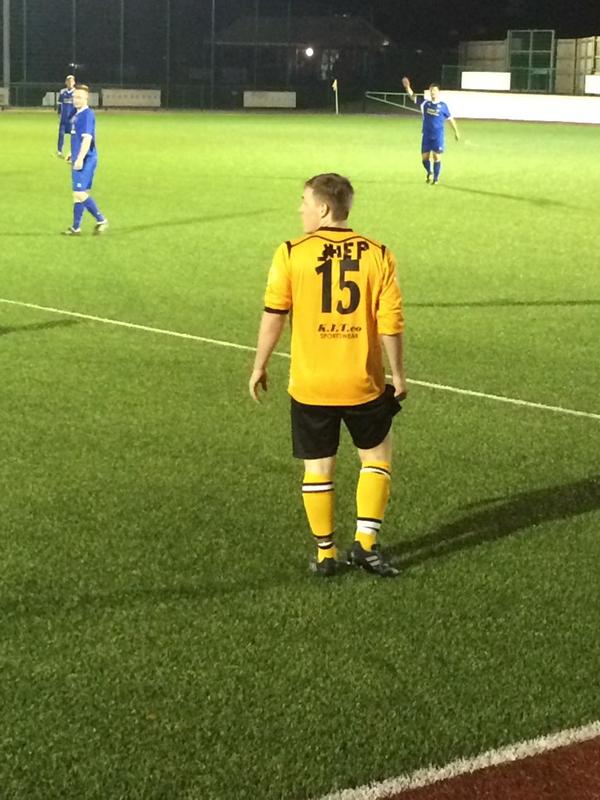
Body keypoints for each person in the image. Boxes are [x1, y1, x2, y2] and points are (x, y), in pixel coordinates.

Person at [249, 173, 406, 578]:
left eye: (303, 201)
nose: (299, 208)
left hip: (311, 384)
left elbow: (274, 315)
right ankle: (366, 545)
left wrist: (259, 364)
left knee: (317, 468)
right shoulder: (378, 253)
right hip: (362, 383)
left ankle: (325, 554)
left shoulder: (290, 252)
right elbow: (390, 323)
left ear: (322, 208)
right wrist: (399, 375)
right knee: (377, 458)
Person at [62, 85, 108, 236]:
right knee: (77, 195)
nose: (76, 100)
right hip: (80, 157)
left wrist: (80, 158)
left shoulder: (87, 114)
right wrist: (71, 153)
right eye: (75, 97)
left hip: (86, 159)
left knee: (80, 193)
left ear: (86, 98)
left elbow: (87, 139)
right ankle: (76, 228)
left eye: (80, 97)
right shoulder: (77, 114)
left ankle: (101, 220)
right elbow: (77, 138)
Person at [402, 78, 460, 184]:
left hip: (438, 136)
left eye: (435, 90)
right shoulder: (425, 103)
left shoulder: (443, 106)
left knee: (436, 157)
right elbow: (412, 96)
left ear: (438, 92)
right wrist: (407, 87)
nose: (433, 92)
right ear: (430, 91)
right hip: (426, 135)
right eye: (431, 90)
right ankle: (430, 172)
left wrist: (456, 132)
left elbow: (450, 119)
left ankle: (436, 179)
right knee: (424, 158)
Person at [57, 75, 77, 158]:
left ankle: (73, 151)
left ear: (74, 82)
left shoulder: (76, 92)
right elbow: (60, 104)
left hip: (72, 119)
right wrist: (59, 113)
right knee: (61, 134)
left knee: (73, 136)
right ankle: (59, 151)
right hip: (63, 118)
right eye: (68, 81)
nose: (70, 83)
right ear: (66, 82)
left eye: (71, 81)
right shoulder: (62, 92)